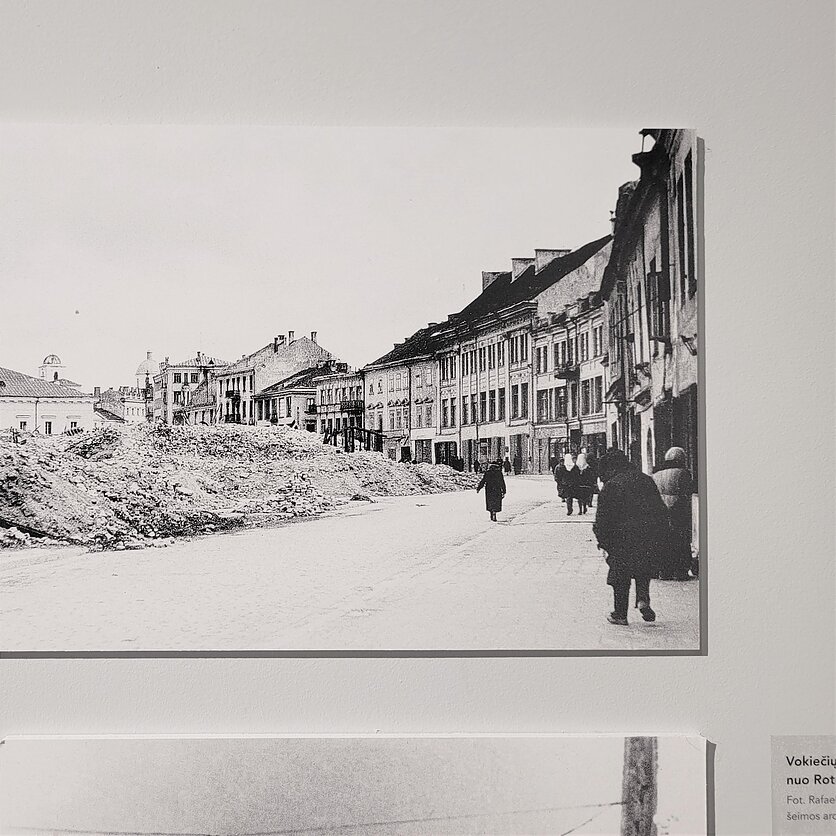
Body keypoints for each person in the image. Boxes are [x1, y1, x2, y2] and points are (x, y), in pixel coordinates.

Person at [593, 449, 670, 626]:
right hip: (646, 534)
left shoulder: (612, 485)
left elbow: (603, 518)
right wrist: (660, 534)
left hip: (621, 539)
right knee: (643, 568)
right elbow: (660, 510)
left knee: (620, 576)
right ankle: (643, 599)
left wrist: (602, 540)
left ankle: (620, 614)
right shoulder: (645, 480)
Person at [653, 446, 696, 581]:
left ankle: (664, 571)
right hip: (678, 511)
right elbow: (688, 491)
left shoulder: (656, 475)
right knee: (680, 541)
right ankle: (680, 572)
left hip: (660, 511)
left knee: (663, 541)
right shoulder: (683, 473)